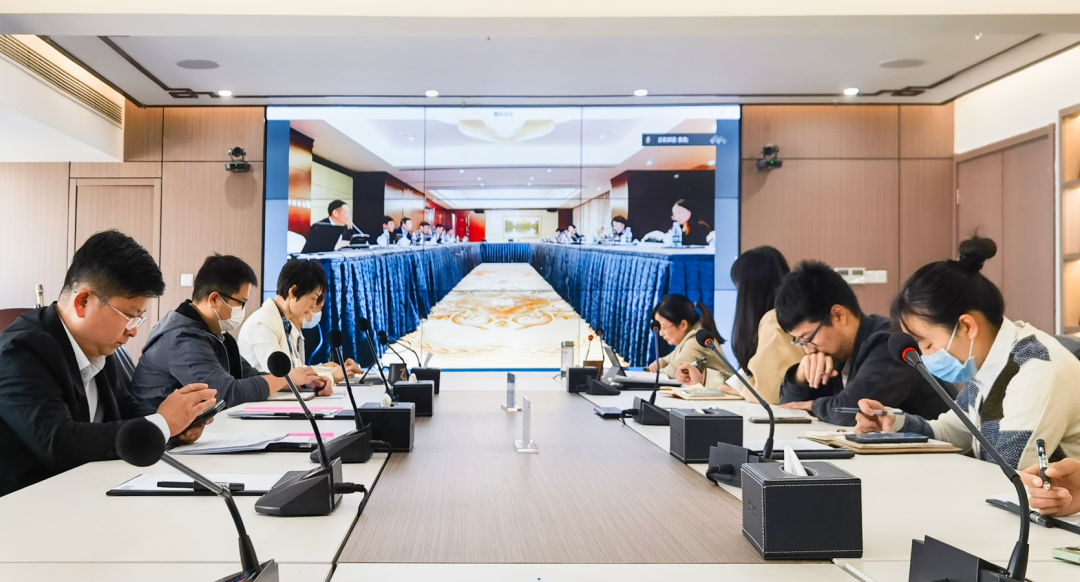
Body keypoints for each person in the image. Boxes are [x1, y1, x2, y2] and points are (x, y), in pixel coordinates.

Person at [0, 230, 216, 497]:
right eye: (129, 316)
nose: (133, 331)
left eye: (139, 318)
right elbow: (59, 442)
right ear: (83, 302)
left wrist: (176, 427)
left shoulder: (97, 347)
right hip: (31, 506)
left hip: (87, 492)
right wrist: (162, 424)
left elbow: (127, 411)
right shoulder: (21, 351)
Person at [855, 237, 1080, 469]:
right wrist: (893, 422)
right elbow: (951, 432)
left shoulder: (1035, 368)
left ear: (966, 326)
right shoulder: (989, 364)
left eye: (928, 345)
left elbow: (1008, 470)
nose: (924, 355)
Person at [133, 254, 329, 409]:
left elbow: (248, 375)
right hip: (162, 439)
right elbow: (226, 394)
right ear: (214, 299)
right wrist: (287, 378)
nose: (242, 310)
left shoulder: (217, 335)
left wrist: (302, 382)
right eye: (240, 303)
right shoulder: (182, 339)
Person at [775, 260, 947, 426]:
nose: (808, 351)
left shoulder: (888, 344)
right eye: (800, 342)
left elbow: (850, 412)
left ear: (838, 315)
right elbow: (790, 409)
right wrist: (800, 377)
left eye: (808, 339)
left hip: (942, 444)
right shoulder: (837, 354)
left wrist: (813, 406)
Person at [674, 246, 802, 404]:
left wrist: (741, 390)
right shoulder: (779, 320)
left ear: (750, 291)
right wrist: (703, 378)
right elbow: (750, 379)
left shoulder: (774, 322)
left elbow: (767, 393)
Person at [646, 294, 735, 383]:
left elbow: (673, 372)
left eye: (664, 328)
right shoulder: (688, 337)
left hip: (726, 390)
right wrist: (661, 362)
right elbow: (669, 358)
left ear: (683, 325)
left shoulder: (695, 341)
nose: (661, 333)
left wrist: (653, 372)